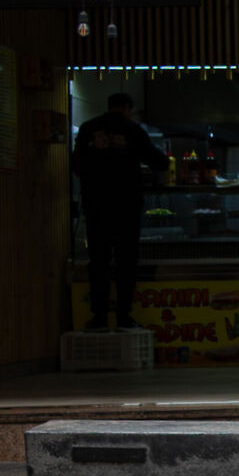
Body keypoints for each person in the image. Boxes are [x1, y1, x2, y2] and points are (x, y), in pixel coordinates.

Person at [72, 92, 165, 330]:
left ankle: (100, 317)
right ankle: (123, 316)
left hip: (96, 206)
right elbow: (159, 162)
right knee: (125, 263)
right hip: (126, 206)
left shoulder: (87, 128)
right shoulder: (133, 130)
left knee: (99, 262)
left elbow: (76, 165)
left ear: (109, 106)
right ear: (128, 108)